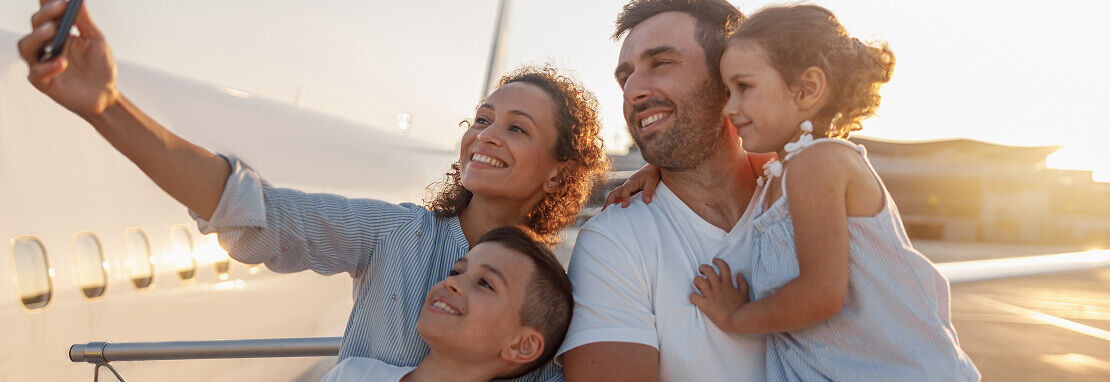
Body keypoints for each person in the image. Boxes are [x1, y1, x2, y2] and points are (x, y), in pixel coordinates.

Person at [17, 2, 607, 381]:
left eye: (517, 128)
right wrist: (107, 109)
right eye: (482, 117)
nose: (486, 136)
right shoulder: (395, 235)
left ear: (560, 173)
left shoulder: (571, 293)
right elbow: (253, 212)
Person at [608, 4, 981, 381]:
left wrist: (736, 317)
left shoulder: (817, 164)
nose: (730, 106)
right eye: (726, 90)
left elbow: (821, 293)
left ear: (807, 89)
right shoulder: (782, 171)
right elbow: (708, 164)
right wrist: (656, 165)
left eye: (743, 88)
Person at [558, 1, 773, 381]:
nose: (633, 90)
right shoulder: (615, 240)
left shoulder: (806, 192)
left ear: (731, 79)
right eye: (625, 77)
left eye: (660, 63)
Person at [321, 226, 573, 382]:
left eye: (486, 283)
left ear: (522, 345)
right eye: (456, 271)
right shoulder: (354, 374)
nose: (452, 283)